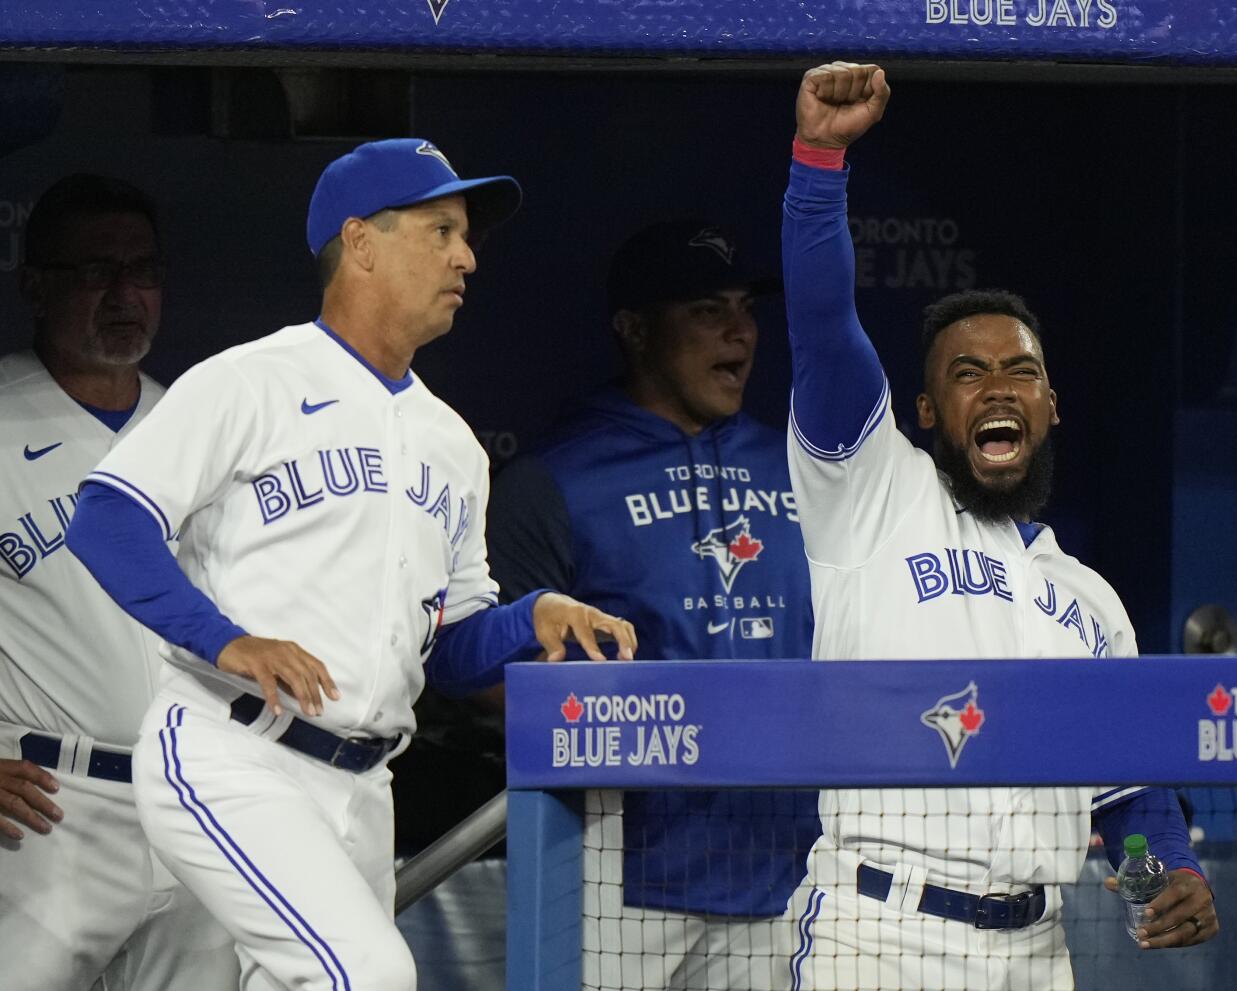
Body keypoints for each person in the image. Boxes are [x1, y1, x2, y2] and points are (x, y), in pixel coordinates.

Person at [63, 138, 638, 991]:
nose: (467, 256)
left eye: (467, 235)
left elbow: (448, 649)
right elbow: (106, 518)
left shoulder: (452, 442)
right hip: (234, 749)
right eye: (441, 229)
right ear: (361, 241)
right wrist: (226, 640)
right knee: (364, 974)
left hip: (365, 785)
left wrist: (533, 615)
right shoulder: (251, 380)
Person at [779, 63, 1219, 990]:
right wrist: (820, 160)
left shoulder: (1091, 604)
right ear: (928, 411)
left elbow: (1125, 800)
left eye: (1017, 371)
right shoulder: (874, 493)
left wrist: (1158, 881)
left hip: (1035, 949)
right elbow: (823, 326)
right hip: (879, 934)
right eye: (966, 373)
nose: (996, 387)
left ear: (1051, 404)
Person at [484, 219, 818, 990]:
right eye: (707, 309)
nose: (740, 330)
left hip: (789, 864)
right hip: (621, 869)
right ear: (635, 330)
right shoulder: (556, 477)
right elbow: (500, 680)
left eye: (746, 308)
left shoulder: (802, 468)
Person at [0, 173, 239, 990]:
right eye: (94, 272)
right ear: (35, 284)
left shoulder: (196, 425)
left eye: (141, 270)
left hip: (192, 797)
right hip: (45, 808)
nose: (123, 293)